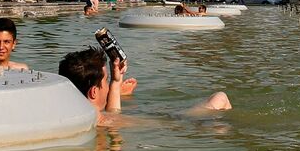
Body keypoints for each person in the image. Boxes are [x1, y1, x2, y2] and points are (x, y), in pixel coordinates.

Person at [58, 47, 229, 126]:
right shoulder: (103, 121)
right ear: (93, 92)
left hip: (166, 122)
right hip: (175, 123)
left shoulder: (76, 112)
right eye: (106, 82)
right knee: (220, 98)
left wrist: (116, 82)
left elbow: (112, 113)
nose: (108, 87)